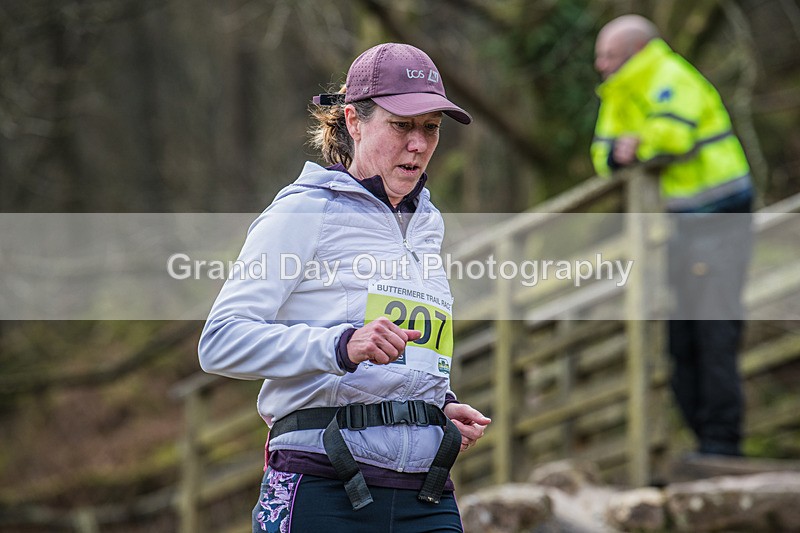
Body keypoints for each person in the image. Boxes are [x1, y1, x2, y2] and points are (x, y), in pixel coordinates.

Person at [199, 42, 491, 532]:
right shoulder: (304, 210)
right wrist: (340, 344)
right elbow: (220, 342)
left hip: (426, 490)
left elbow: (409, 343)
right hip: (323, 486)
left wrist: (432, 405)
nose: (418, 144)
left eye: (431, 128)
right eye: (401, 125)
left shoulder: (428, 223)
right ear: (353, 122)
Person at [590, 15, 754, 457]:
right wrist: (627, 148)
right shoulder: (619, 92)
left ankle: (722, 443)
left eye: (610, 56)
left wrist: (636, 144)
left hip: (721, 216)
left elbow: (673, 136)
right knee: (680, 339)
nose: (602, 66)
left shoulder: (671, 75)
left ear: (636, 52)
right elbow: (603, 154)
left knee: (713, 329)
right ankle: (706, 440)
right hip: (678, 227)